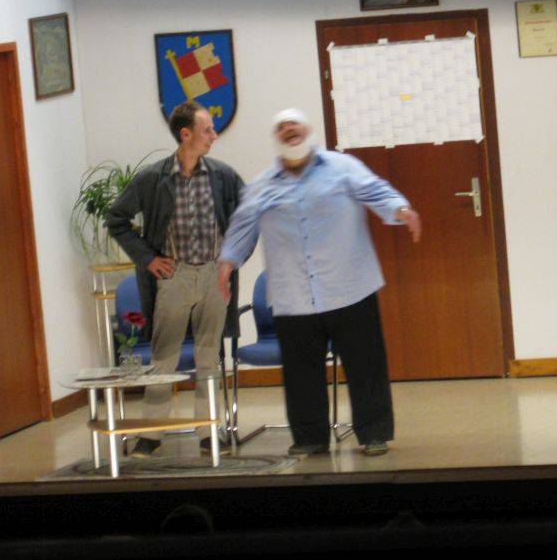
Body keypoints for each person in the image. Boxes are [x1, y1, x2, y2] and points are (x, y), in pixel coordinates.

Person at [217, 109, 421, 458]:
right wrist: (227, 264)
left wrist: (400, 210)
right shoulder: (261, 185)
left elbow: (375, 191)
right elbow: (242, 227)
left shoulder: (343, 167)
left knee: (365, 365)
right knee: (301, 373)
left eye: (294, 124)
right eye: (281, 127)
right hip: (292, 293)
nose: (289, 129)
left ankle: (373, 434)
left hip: (349, 286)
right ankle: (310, 437)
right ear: (276, 139)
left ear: (309, 131)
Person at [106, 100, 245, 457]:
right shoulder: (152, 178)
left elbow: (248, 218)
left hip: (215, 275)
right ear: (186, 134)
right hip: (174, 276)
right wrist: (148, 259)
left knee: (208, 356)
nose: (214, 135)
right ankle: (151, 434)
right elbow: (116, 219)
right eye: (207, 130)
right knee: (163, 356)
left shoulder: (223, 176)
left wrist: (232, 260)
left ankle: (208, 432)